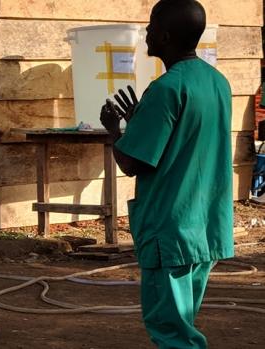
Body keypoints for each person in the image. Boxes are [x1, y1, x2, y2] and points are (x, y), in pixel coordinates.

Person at [99, 1, 234, 347]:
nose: (145, 32)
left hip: (171, 229)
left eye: (150, 26)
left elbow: (133, 163)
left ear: (165, 35)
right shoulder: (217, 82)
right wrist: (142, 121)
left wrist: (115, 131)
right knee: (183, 318)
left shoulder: (166, 89)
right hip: (205, 227)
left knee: (170, 329)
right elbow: (186, 139)